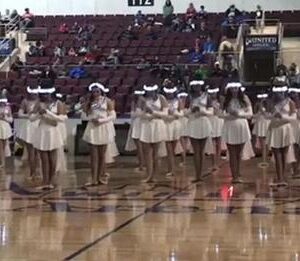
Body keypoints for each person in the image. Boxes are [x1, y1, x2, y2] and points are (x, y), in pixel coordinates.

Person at [32, 86, 67, 190]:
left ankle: (51, 180)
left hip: (53, 131)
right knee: (44, 159)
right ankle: (45, 181)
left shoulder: (58, 103)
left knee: (52, 158)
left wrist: (48, 113)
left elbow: (62, 118)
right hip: (42, 131)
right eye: (43, 94)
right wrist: (39, 113)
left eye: (47, 93)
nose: (45, 95)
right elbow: (31, 118)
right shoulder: (39, 103)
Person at [82, 83, 116, 186]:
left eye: (97, 91)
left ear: (101, 91)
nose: (96, 93)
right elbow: (84, 115)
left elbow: (113, 115)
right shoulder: (89, 102)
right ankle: (93, 178)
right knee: (93, 156)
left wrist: (102, 120)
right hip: (92, 128)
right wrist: (91, 118)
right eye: (94, 92)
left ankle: (101, 176)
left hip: (103, 127)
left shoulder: (107, 101)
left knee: (102, 155)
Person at [220, 82, 253, 183]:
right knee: (232, 152)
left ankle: (237, 173)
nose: (234, 90)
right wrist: (230, 114)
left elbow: (250, 114)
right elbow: (220, 114)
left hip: (241, 126)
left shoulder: (245, 98)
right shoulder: (225, 100)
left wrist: (238, 113)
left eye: (236, 88)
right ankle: (234, 176)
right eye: (232, 88)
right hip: (230, 126)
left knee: (239, 153)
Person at [266, 86, 296, 187]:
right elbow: (266, 115)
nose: (280, 93)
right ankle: (279, 177)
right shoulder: (271, 102)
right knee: (277, 154)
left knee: (284, 154)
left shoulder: (290, 102)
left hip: (285, 129)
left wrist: (282, 116)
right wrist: (273, 115)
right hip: (275, 128)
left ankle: (282, 177)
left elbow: (293, 117)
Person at [138, 84, 168, 182]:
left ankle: (154, 175)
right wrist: (145, 113)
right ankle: (149, 175)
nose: (150, 92)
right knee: (147, 153)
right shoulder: (142, 99)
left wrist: (153, 113)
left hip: (157, 126)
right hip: (146, 125)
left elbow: (165, 114)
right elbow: (138, 114)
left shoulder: (161, 98)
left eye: (152, 90)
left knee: (155, 153)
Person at [187, 80, 212, 182]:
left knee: (202, 151)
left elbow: (211, 111)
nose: (196, 87)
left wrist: (203, 111)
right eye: (194, 86)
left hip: (203, 122)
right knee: (196, 151)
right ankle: (197, 174)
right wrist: (191, 110)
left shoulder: (207, 96)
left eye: (198, 85)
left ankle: (201, 173)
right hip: (193, 123)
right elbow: (184, 111)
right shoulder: (190, 97)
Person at [17, 86, 40, 181]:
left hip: (39, 125)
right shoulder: (25, 101)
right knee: (31, 152)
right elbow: (20, 114)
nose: (33, 94)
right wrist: (29, 115)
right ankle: (32, 172)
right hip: (29, 126)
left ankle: (39, 172)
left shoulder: (40, 101)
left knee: (38, 152)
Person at [163, 84, 183, 177]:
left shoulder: (178, 100)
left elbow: (181, 113)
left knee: (173, 149)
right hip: (166, 124)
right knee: (169, 149)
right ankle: (170, 169)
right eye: (168, 92)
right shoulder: (163, 101)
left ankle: (172, 168)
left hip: (175, 124)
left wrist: (175, 113)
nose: (169, 94)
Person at [125, 90, 145, 171]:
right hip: (135, 124)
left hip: (142, 124)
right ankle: (141, 164)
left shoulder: (144, 101)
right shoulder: (134, 102)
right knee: (139, 147)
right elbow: (132, 114)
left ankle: (142, 165)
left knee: (142, 147)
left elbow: (144, 113)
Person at [207, 86, 224, 171]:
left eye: (214, 92)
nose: (213, 94)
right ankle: (213, 163)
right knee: (212, 143)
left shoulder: (220, 100)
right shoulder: (208, 100)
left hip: (218, 121)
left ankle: (217, 162)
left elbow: (221, 111)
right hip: (211, 121)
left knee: (218, 143)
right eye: (211, 92)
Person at [252, 93, 271, 163]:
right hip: (260, 124)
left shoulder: (269, 104)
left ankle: (265, 158)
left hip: (266, 124)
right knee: (262, 143)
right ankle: (264, 159)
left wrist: (262, 110)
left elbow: (268, 115)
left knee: (267, 143)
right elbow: (254, 115)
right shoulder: (257, 104)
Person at [288, 87, 300, 178]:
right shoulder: (289, 103)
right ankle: (294, 169)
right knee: (294, 148)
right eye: (293, 93)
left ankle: (297, 168)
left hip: (298, 127)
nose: (294, 95)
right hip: (293, 127)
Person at [177, 90, 189, 166]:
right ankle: (183, 160)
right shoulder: (179, 104)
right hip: (181, 123)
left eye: (184, 97)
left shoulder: (185, 105)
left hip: (185, 123)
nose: (183, 99)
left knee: (184, 143)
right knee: (183, 143)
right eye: (181, 97)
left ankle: (184, 160)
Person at [0, 97, 12, 168]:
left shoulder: (8, 108)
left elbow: (11, 119)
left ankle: (3, 161)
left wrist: (5, 118)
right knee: (0, 146)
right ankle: (2, 162)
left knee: (4, 146)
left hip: (5, 127)